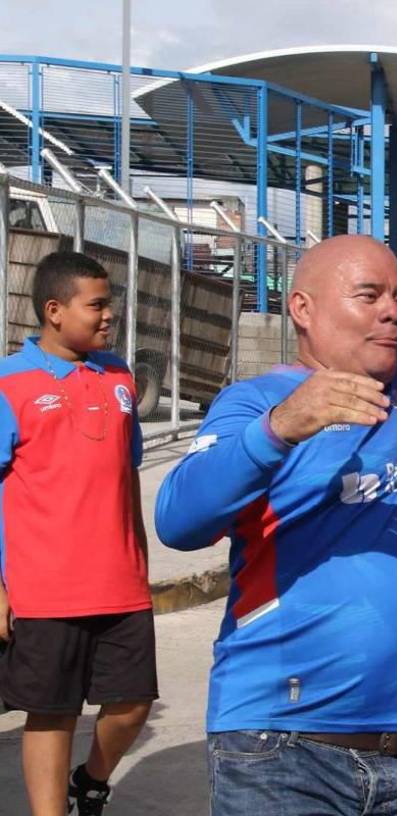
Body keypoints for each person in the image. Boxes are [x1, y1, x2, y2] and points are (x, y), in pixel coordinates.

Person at [155, 235, 397, 816]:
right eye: (368, 295)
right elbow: (178, 519)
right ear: (302, 309)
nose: (392, 310)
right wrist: (283, 427)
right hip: (280, 752)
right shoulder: (255, 403)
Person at [0, 251, 155, 816]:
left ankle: (90, 778)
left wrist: (138, 556)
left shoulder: (119, 378)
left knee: (133, 704)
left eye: (110, 302)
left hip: (120, 581)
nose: (109, 314)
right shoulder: (9, 383)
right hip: (43, 586)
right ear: (54, 310)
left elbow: (127, 474)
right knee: (52, 711)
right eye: (97, 304)